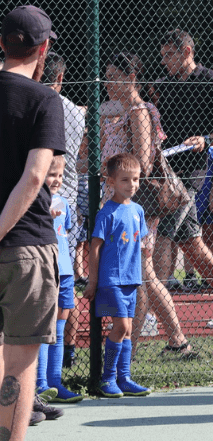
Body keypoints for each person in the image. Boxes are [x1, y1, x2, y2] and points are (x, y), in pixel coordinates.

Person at [99, 52, 196, 359]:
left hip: (135, 203)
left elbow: (142, 161)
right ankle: (174, 341)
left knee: (143, 273)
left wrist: (109, 169)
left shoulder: (140, 111)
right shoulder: (119, 113)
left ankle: (134, 344)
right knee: (143, 274)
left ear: (130, 78)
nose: (107, 83)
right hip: (119, 203)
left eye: (113, 76)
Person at [0, 5, 66, 438]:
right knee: (21, 357)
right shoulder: (45, 99)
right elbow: (37, 175)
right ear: (43, 51)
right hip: (25, 243)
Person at [153, 29, 213, 329]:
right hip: (164, 170)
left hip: (192, 172)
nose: (164, 61)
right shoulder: (162, 85)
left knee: (163, 234)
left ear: (187, 51)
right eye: (162, 55)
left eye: (168, 55)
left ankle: (152, 314)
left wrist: (207, 138)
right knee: (192, 243)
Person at [83, 153, 153, 398]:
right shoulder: (107, 213)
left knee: (128, 329)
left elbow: (141, 241)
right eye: (125, 180)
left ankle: (124, 378)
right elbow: (94, 247)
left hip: (131, 280)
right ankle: (107, 378)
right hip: (112, 279)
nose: (131, 185)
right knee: (120, 326)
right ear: (111, 181)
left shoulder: (138, 210)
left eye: (135, 179)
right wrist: (93, 281)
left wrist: (147, 254)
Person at [40, 51, 84, 369]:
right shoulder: (71, 109)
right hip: (62, 198)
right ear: (60, 77)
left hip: (51, 199)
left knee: (56, 290)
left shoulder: (38, 104)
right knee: (63, 288)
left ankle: (58, 359)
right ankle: (64, 357)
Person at [35, 157, 83, 403]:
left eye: (61, 175)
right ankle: (40, 384)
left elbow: (69, 232)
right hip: (46, 271)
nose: (57, 180)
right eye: (52, 174)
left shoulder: (64, 201)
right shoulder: (33, 201)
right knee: (46, 327)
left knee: (60, 325)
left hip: (64, 272)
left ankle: (55, 382)